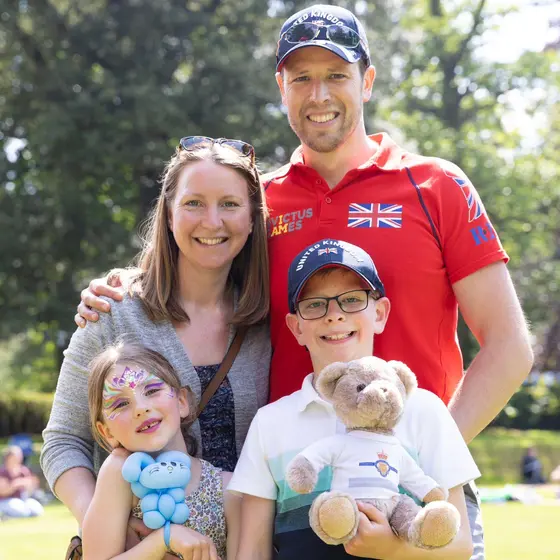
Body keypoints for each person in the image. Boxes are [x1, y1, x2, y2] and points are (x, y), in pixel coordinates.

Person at [74, 4, 533, 558]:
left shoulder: (436, 186)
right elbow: (198, 254)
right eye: (302, 79)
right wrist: (127, 282)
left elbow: (510, 348)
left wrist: (414, 462)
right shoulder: (262, 203)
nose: (319, 95)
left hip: (416, 496)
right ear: (281, 87)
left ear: (366, 80)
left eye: (336, 75)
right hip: (292, 502)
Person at [40, 137, 271, 553]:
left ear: (253, 218)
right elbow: (62, 442)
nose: (212, 221)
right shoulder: (112, 312)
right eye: (194, 203)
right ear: (168, 214)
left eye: (230, 204)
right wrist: (109, 521)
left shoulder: (265, 323)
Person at [230, 238, 478, 560]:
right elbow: (253, 550)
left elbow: (460, 546)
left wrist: (392, 548)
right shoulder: (270, 422)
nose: (334, 315)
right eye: (315, 304)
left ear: (380, 313)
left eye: (351, 299)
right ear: (296, 328)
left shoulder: (424, 410)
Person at [82, 340, 239, 559]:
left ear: (182, 401)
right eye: (121, 404)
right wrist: (164, 540)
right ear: (106, 431)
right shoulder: (119, 475)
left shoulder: (228, 488)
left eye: (152, 390)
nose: (141, 408)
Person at [0, 446, 44, 519]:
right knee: (23, 512)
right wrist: (15, 484)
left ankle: (9, 516)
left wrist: (29, 484)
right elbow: (3, 492)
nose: (18, 458)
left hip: (23, 499)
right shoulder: (2, 472)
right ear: (8, 458)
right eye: (15, 456)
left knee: (37, 511)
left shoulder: (23, 470)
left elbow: (33, 485)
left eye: (19, 455)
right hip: (5, 501)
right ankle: (5, 516)